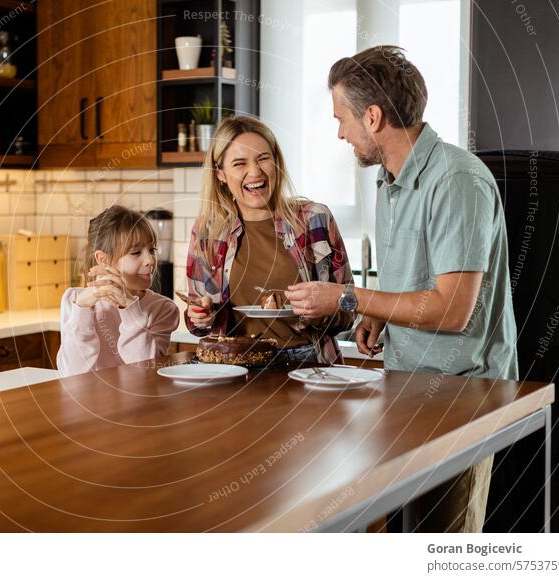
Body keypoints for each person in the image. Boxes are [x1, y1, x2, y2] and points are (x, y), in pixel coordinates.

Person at [286, 46, 518, 532]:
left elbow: (453, 310)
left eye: (342, 118)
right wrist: (379, 315)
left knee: (441, 547)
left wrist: (350, 299)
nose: (340, 133)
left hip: (460, 398)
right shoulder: (388, 183)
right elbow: (415, 285)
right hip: (405, 390)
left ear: (373, 117)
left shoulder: (455, 180)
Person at [185, 115, 353, 365]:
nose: (255, 172)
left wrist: (319, 311)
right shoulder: (208, 232)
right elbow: (198, 324)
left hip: (308, 362)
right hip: (235, 365)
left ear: (276, 162)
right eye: (239, 163)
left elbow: (349, 307)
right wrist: (200, 315)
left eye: (263, 158)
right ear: (220, 174)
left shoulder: (314, 219)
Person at [57, 205, 180, 376]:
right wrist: (82, 310)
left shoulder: (163, 308)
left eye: (152, 250)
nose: (150, 260)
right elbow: (71, 372)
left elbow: (147, 371)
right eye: (136, 252)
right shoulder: (74, 300)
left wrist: (130, 307)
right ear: (103, 260)